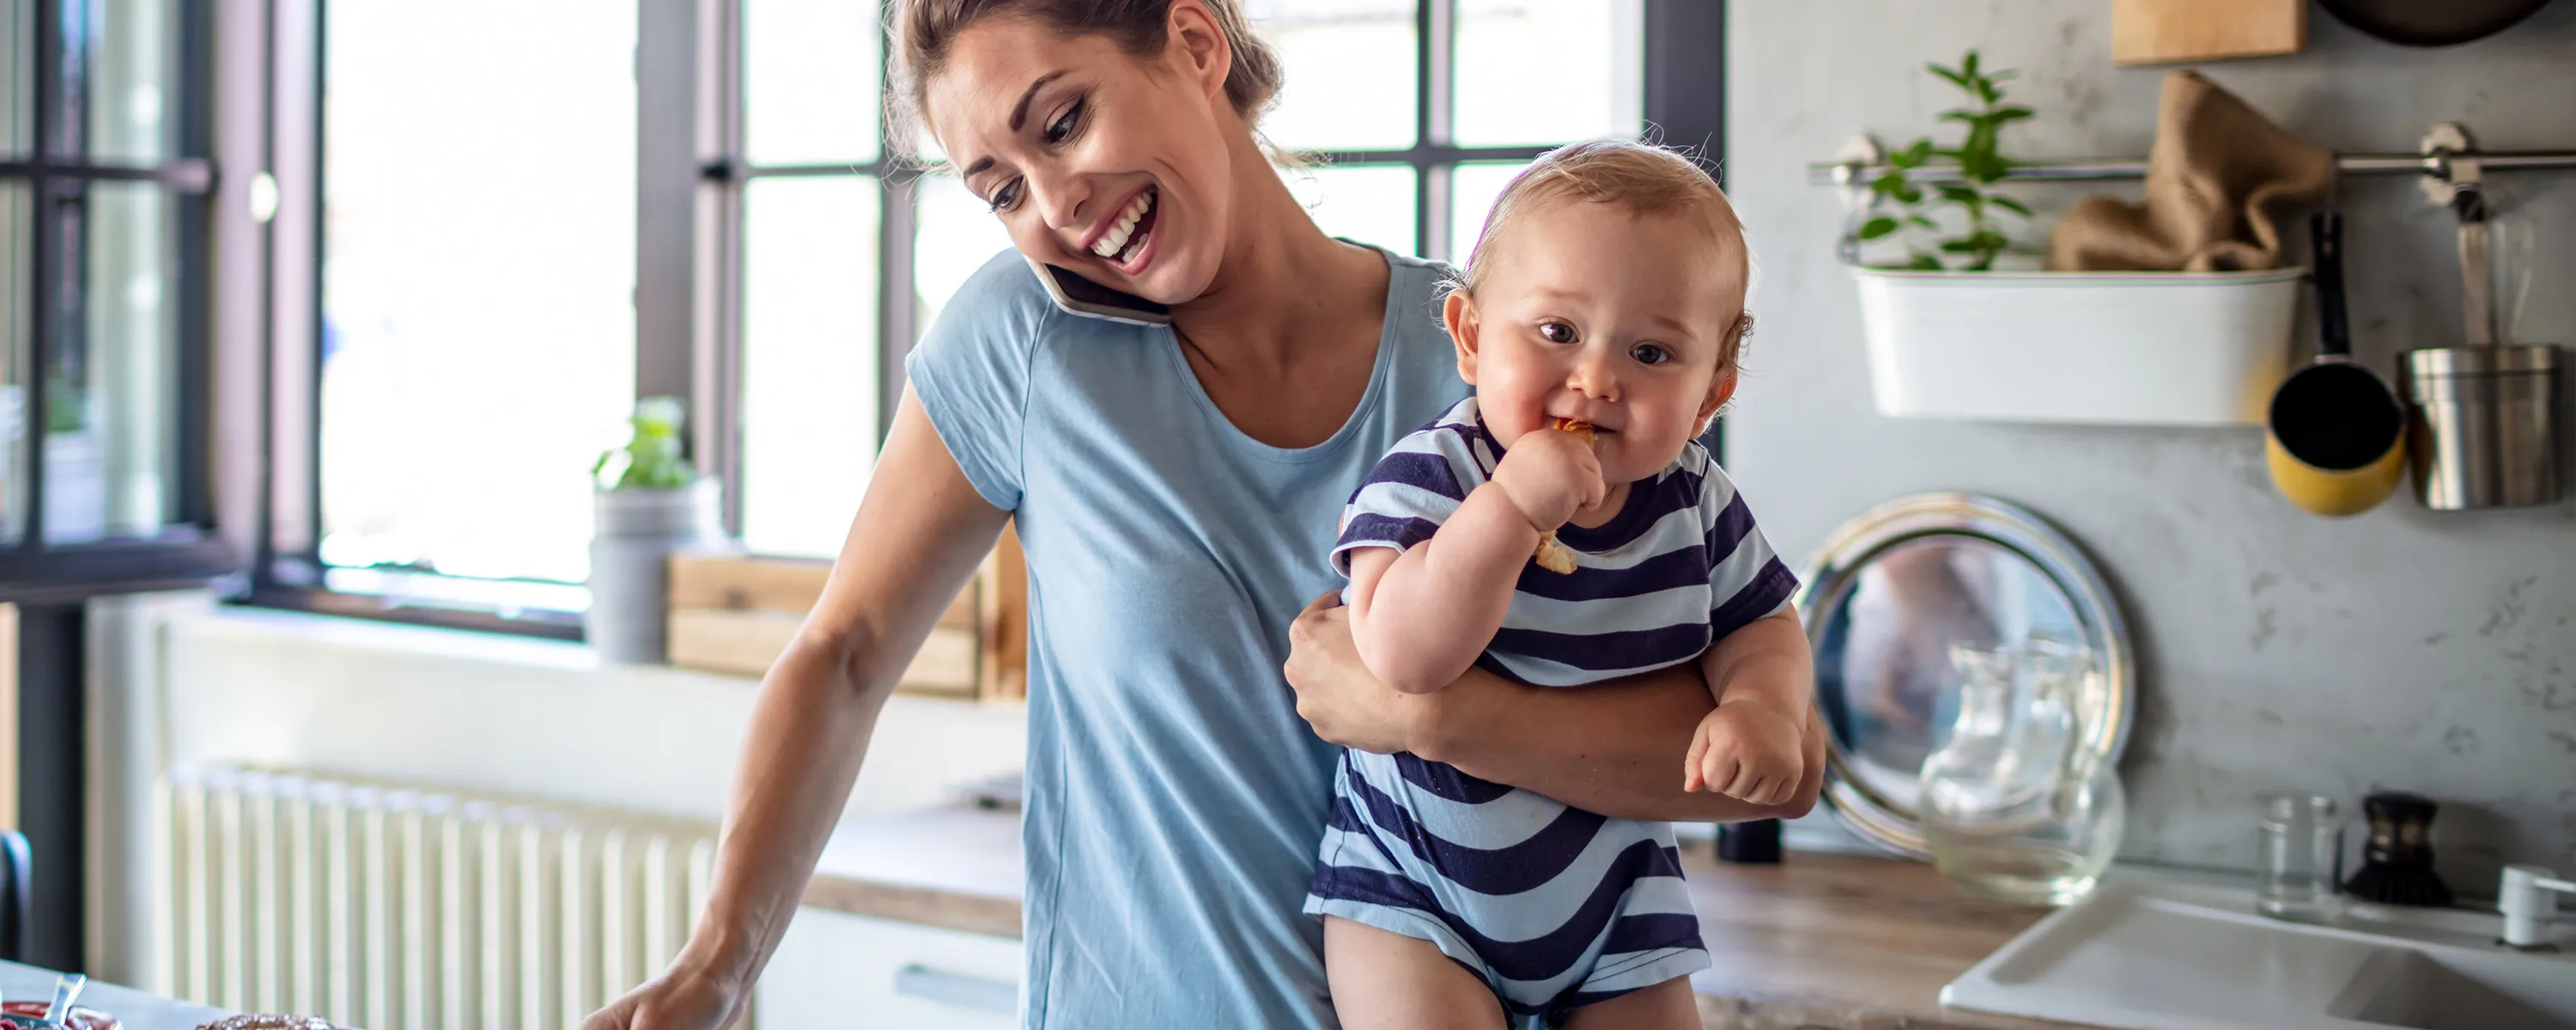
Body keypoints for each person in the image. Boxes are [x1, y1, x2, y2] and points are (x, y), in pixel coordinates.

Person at [582, 3, 1822, 1028]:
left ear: (1192, 41)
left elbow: (1760, 761)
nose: (1055, 207)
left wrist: (1426, 716)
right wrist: (720, 964)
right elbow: (843, 656)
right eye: (1001, 188)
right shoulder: (1026, 345)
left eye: (1063, 122)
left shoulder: (1502, 362)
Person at [1306, 141, 1811, 1030]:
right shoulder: (1435, 477)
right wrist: (1509, 509)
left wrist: (1760, 706)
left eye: (1653, 352)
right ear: (1468, 338)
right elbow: (1402, 658)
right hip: (1417, 895)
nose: (1598, 378)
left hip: (1618, 899)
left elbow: (1762, 622)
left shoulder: (1692, 499)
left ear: (1708, 399)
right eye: (1558, 333)